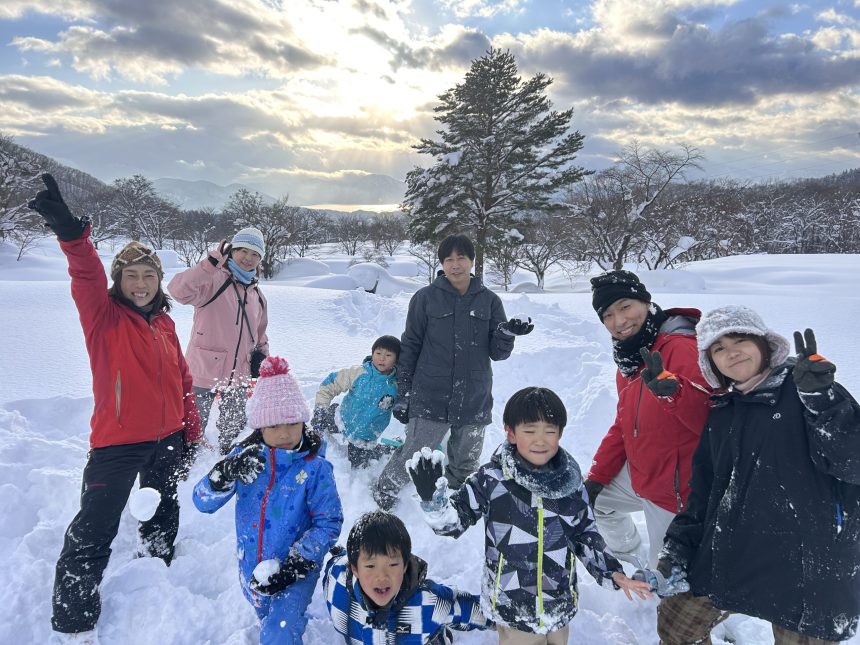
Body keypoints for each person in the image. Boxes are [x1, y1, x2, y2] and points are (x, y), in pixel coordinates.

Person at [29, 174, 202, 644]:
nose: (141, 284)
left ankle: (157, 563)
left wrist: (190, 423)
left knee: (164, 504)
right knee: (94, 527)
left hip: (168, 436)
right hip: (118, 443)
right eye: (131, 276)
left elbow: (182, 376)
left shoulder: (164, 323)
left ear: (158, 281)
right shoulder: (103, 317)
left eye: (149, 276)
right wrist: (72, 236)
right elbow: (85, 275)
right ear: (119, 281)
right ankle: (74, 621)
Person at [656, 305, 860, 645]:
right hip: (730, 552)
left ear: (764, 344)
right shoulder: (723, 412)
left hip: (805, 566)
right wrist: (677, 549)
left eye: (740, 339)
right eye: (718, 348)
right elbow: (704, 493)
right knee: (675, 628)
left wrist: (824, 402)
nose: (731, 352)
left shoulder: (808, 390)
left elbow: (852, 463)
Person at [408, 387, 652, 644]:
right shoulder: (492, 480)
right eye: (530, 431)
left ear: (560, 433)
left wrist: (611, 572)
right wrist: (434, 503)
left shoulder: (570, 485)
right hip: (513, 606)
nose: (540, 440)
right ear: (511, 433)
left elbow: (585, 534)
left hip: (558, 603)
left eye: (550, 431)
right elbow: (454, 522)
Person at [372, 233, 533, 509]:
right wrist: (404, 392)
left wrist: (506, 334)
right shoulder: (425, 299)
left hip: (473, 397)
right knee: (415, 452)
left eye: (461, 258)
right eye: (449, 259)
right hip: (431, 395)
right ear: (442, 263)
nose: (455, 264)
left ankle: (457, 507)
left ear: (472, 261)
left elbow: (499, 353)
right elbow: (410, 346)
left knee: (466, 462)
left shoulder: (489, 301)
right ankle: (385, 492)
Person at [193, 355, 343, 645]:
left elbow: (329, 522)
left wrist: (296, 564)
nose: (284, 433)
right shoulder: (244, 461)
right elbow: (202, 502)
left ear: (303, 421)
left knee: (279, 632)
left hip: (296, 570)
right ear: (260, 427)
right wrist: (221, 475)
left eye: (292, 423)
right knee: (267, 618)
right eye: (273, 426)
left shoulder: (315, 469)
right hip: (251, 567)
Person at [583, 270, 711, 568]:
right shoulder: (630, 359)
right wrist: (598, 478)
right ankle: (631, 558)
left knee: (669, 581)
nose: (619, 321)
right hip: (644, 474)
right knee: (593, 502)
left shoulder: (681, 348)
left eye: (625, 307)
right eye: (608, 315)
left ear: (646, 302)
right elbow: (623, 425)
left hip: (677, 491)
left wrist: (675, 394)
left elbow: (713, 424)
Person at [168, 228, 268, 454]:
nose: (248, 258)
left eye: (255, 254)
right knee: (191, 428)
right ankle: (186, 460)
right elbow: (177, 291)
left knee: (234, 431)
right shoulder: (213, 280)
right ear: (232, 251)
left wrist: (265, 361)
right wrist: (209, 265)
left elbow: (260, 334)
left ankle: (227, 458)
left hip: (240, 374)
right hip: (203, 370)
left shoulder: (257, 296)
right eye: (243, 250)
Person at [323, 510, 493, 643]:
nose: (381, 577)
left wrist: (502, 618)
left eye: (392, 565)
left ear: (405, 566)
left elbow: (472, 610)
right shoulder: (337, 585)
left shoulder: (428, 603)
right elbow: (335, 561)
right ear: (355, 569)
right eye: (370, 566)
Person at [312, 335, 400, 467]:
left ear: (396, 360)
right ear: (372, 353)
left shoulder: (397, 385)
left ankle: (385, 449)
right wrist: (320, 407)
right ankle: (328, 412)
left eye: (388, 355)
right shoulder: (359, 373)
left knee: (358, 464)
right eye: (378, 353)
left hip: (364, 435)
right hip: (342, 419)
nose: (382, 358)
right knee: (321, 421)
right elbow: (330, 384)